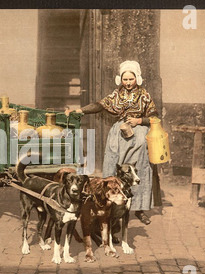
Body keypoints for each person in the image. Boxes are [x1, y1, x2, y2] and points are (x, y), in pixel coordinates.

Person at [66, 60, 162, 225]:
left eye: (131, 79)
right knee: (113, 167)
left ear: (137, 78)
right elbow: (99, 105)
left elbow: (154, 116)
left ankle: (139, 208)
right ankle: (112, 208)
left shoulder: (145, 96)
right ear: (120, 79)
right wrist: (80, 110)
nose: (128, 83)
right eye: (125, 79)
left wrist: (139, 120)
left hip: (139, 137)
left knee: (139, 172)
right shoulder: (116, 95)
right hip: (119, 134)